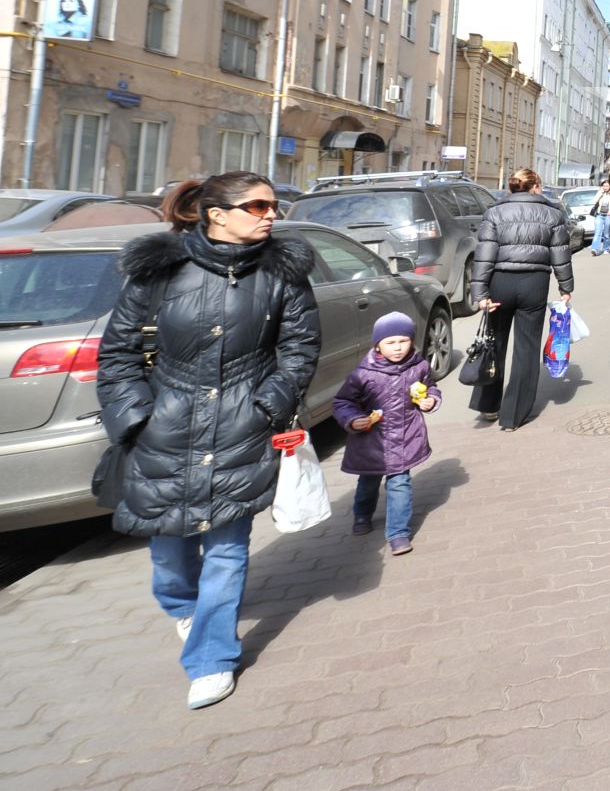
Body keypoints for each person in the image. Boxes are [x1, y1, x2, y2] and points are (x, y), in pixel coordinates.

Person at [94, 173, 319, 710]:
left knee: (226, 550)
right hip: (164, 432)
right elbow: (118, 352)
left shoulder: (282, 273)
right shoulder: (160, 270)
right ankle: (181, 607)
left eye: (274, 205)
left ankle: (212, 659)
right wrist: (133, 418)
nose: (271, 214)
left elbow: (300, 348)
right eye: (258, 205)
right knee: (169, 551)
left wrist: (267, 405)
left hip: (242, 430)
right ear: (216, 213)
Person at [468, 167, 573, 431]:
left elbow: (484, 255)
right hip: (534, 284)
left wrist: (479, 294)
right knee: (526, 349)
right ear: (536, 185)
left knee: (495, 342)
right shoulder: (553, 213)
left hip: (500, 282)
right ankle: (514, 416)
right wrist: (566, 287)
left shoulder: (494, 212)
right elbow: (560, 253)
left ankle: (489, 405)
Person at [332, 312, 441, 555]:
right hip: (372, 441)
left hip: (406, 437)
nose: (398, 348)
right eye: (390, 342)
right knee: (368, 482)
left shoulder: (419, 366)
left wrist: (430, 401)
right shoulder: (363, 373)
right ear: (377, 345)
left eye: (403, 341)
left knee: (400, 484)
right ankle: (362, 514)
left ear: (412, 341)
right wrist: (353, 419)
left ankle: (398, 533)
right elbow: (342, 402)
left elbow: (431, 388)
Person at [588, 177, 610, 256]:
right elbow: (594, 201)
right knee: (597, 233)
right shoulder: (600, 193)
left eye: (607, 186)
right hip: (599, 215)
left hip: (608, 215)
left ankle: (606, 248)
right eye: (604, 186)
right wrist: (600, 192)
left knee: (606, 234)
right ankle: (595, 249)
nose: (605, 187)